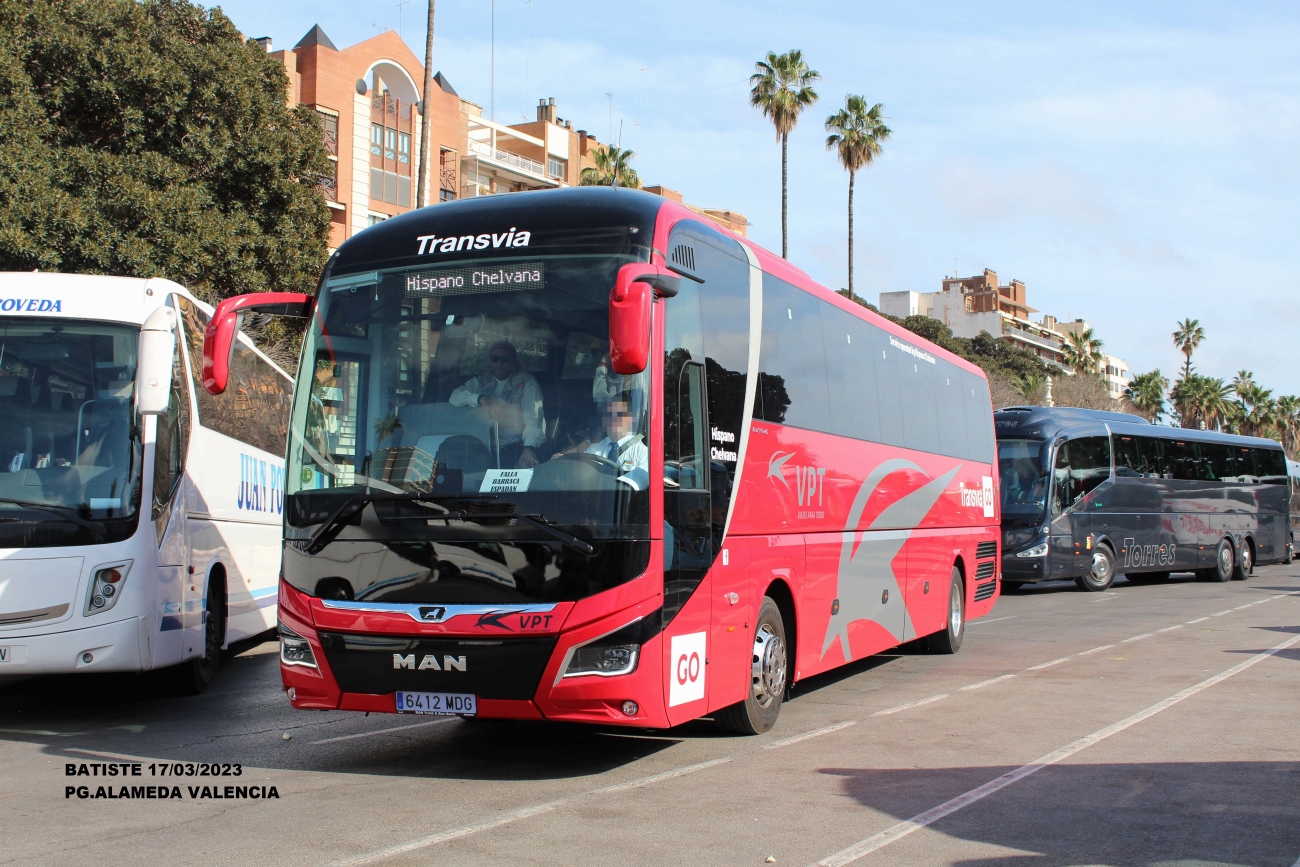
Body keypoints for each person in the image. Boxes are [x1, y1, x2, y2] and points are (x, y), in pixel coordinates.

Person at [449, 340, 544, 468]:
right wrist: (481, 399)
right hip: (480, 448)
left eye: (505, 359)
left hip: (515, 448)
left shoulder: (526, 382)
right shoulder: (481, 381)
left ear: (514, 361)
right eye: (495, 358)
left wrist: (528, 449)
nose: (500, 362)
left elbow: (533, 418)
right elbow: (454, 397)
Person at [586, 395, 648, 475]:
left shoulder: (642, 452)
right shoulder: (593, 450)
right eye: (609, 414)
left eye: (619, 414)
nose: (613, 418)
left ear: (630, 418)